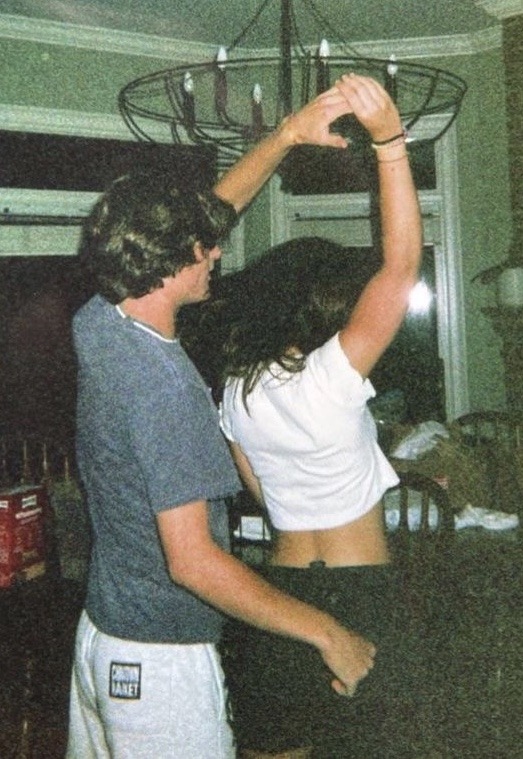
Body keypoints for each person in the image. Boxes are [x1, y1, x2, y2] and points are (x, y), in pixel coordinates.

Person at [66, 76, 379, 759]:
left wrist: (285, 136)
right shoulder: (166, 390)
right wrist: (327, 632)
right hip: (160, 664)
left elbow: (214, 212)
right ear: (170, 258)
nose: (217, 252)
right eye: (204, 247)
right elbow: (194, 563)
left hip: (104, 639)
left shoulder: (101, 324)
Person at [218, 74, 422, 757]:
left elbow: (261, 490)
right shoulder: (332, 376)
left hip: (277, 601)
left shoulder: (235, 391)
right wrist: (389, 142)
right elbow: (399, 269)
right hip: (360, 595)